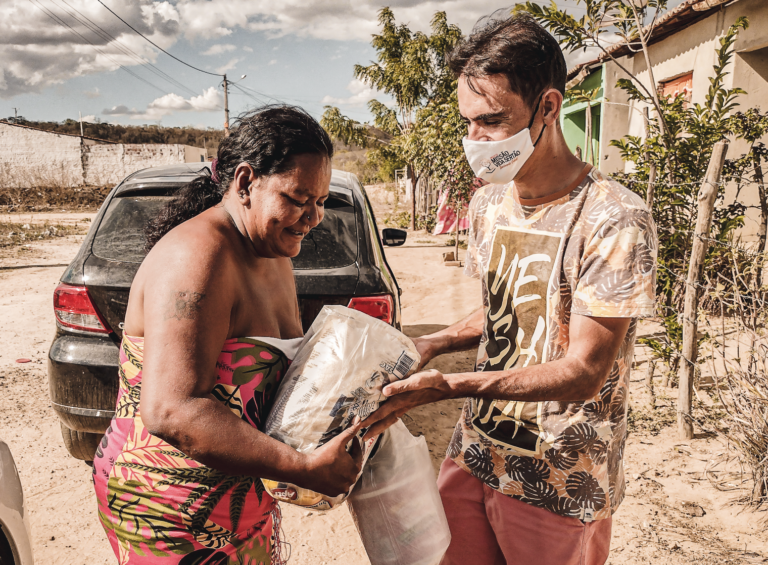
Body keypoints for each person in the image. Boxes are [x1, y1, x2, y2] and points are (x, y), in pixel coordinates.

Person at [362, 13, 658, 565]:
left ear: (548, 108)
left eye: (492, 122)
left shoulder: (614, 218)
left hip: (560, 478)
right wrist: (434, 342)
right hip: (476, 451)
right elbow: (506, 306)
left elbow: (585, 369)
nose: (475, 140)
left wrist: (447, 386)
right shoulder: (488, 205)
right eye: (467, 122)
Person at [93, 105, 365, 565]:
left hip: (235, 499)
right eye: (299, 198)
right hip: (169, 509)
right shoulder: (197, 258)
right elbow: (170, 409)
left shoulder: (274, 252)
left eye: (321, 202)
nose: (313, 217)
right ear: (244, 182)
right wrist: (299, 467)